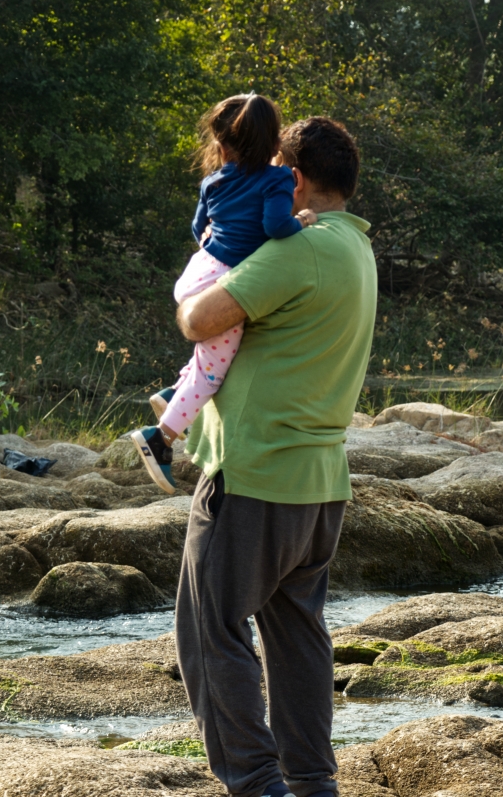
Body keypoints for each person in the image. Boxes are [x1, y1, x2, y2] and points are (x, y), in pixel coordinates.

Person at [174, 116, 378, 797]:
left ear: (291, 178)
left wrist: (191, 288)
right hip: (319, 486)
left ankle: (258, 784)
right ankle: (313, 783)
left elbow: (202, 319)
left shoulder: (300, 249)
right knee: (297, 636)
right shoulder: (355, 247)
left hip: (257, 474)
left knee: (211, 631)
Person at [130, 93, 316, 494]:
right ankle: (160, 438)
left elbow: (200, 230)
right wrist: (302, 220)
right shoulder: (278, 178)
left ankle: (172, 393)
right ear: (274, 145)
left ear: (221, 145)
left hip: (198, 271)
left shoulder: (212, 181)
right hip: (225, 284)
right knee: (215, 372)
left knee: (208, 357)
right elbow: (276, 227)